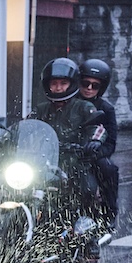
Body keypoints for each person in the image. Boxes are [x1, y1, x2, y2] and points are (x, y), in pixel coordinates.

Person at [37, 57, 107, 215]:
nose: (58, 88)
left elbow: (98, 127)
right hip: (46, 161)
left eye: (63, 83)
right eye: (54, 84)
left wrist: (94, 141)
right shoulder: (41, 109)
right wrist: (1, 141)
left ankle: (87, 221)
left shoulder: (84, 107)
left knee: (86, 188)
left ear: (72, 84)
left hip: (75, 161)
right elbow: (21, 127)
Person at [77, 56, 120, 225]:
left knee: (107, 168)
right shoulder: (68, 102)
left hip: (91, 155)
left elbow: (110, 143)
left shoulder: (106, 109)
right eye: (85, 83)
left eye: (94, 85)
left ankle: (109, 212)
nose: (88, 88)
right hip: (66, 152)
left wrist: (94, 152)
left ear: (101, 88)